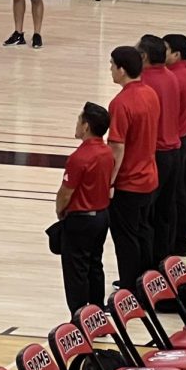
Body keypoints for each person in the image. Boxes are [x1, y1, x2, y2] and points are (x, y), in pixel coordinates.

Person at [107, 46, 160, 290]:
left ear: (122, 69)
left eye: (112, 65)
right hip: (150, 176)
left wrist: (108, 182)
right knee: (144, 231)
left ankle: (130, 288)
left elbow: (117, 147)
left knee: (125, 237)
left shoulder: (120, 103)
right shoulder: (150, 93)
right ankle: (146, 282)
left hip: (129, 181)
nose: (110, 70)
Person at [55, 102, 114, 314]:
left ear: (86, 126)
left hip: (80, 219)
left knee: (75, 271)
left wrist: (60, 211)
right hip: (101, 216)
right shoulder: (107, 152)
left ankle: (79, 315)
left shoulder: (79, 158)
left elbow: (66, 193)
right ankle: (97, 310)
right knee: (94, 264)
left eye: (79, 120)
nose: (77, 124)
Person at [137, 35, 182, 259]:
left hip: (157, 153)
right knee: (166, 211)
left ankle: (146, 268)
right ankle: (164, 263)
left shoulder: (145, 82)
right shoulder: (171, 76)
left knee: (146, 216)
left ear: (144, 56)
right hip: (174, 149)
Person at [163, 33, 186, 250]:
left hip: (176, 140)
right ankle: (182, 238)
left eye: (165, 49)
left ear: (176, 54)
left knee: (175, 195)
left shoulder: (175, 78)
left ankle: (179, 240)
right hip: (183, 137)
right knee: (179, 192)